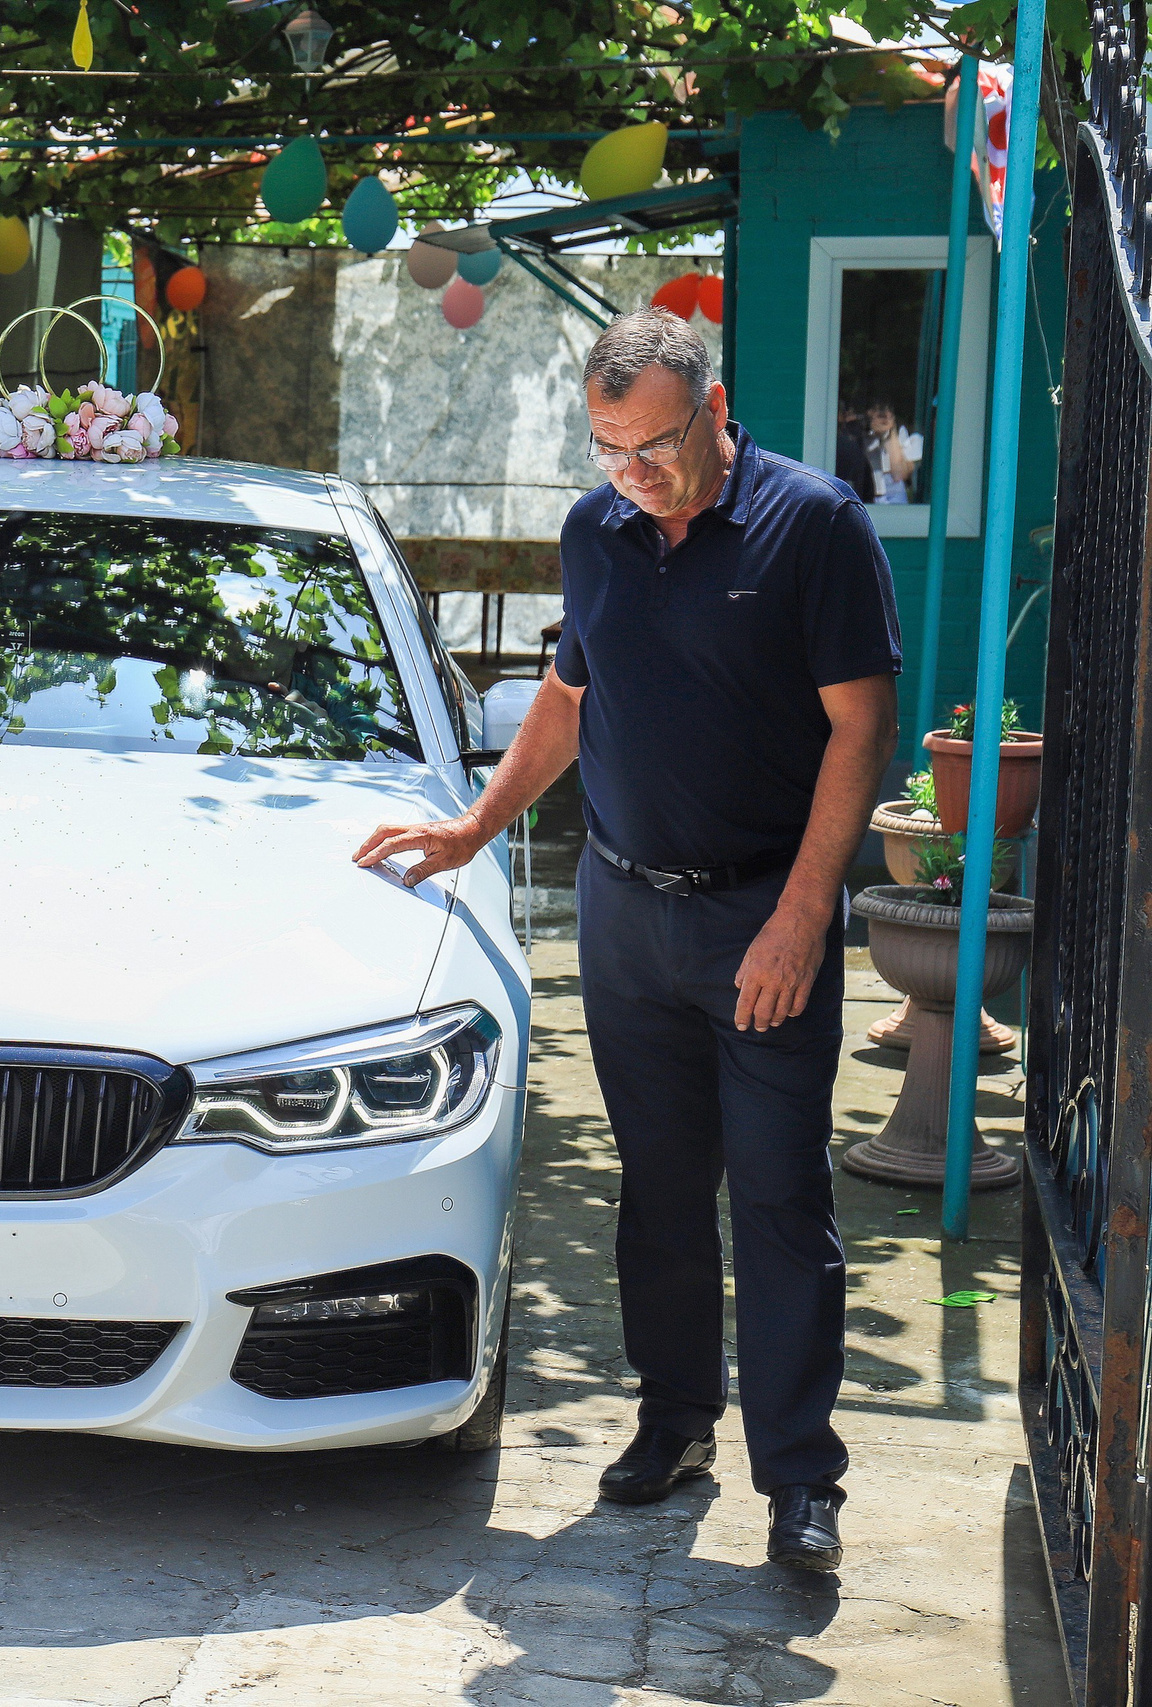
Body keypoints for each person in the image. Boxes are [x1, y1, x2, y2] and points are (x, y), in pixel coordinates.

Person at [353, 308, 899, 1574]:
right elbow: (567, 692)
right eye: (605, 446)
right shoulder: (596, 530)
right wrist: (476, 823)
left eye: (651, 444)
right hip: (623, 914)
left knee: (774, 1196)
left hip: (760, 918)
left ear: (713, 413)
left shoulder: (812, 524)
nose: (629, 473)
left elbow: (861, 731)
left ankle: (802, 1479)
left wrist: (805, 918)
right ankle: (675, 1424)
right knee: (656, 1195)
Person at [863, 401, 921, 504]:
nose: (883, 418)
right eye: (878, 413)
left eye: (886, 413)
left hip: (894, 493)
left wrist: (890, 433)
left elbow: (899, 475)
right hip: (868, 491)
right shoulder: (861, 434)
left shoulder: (900, 432)